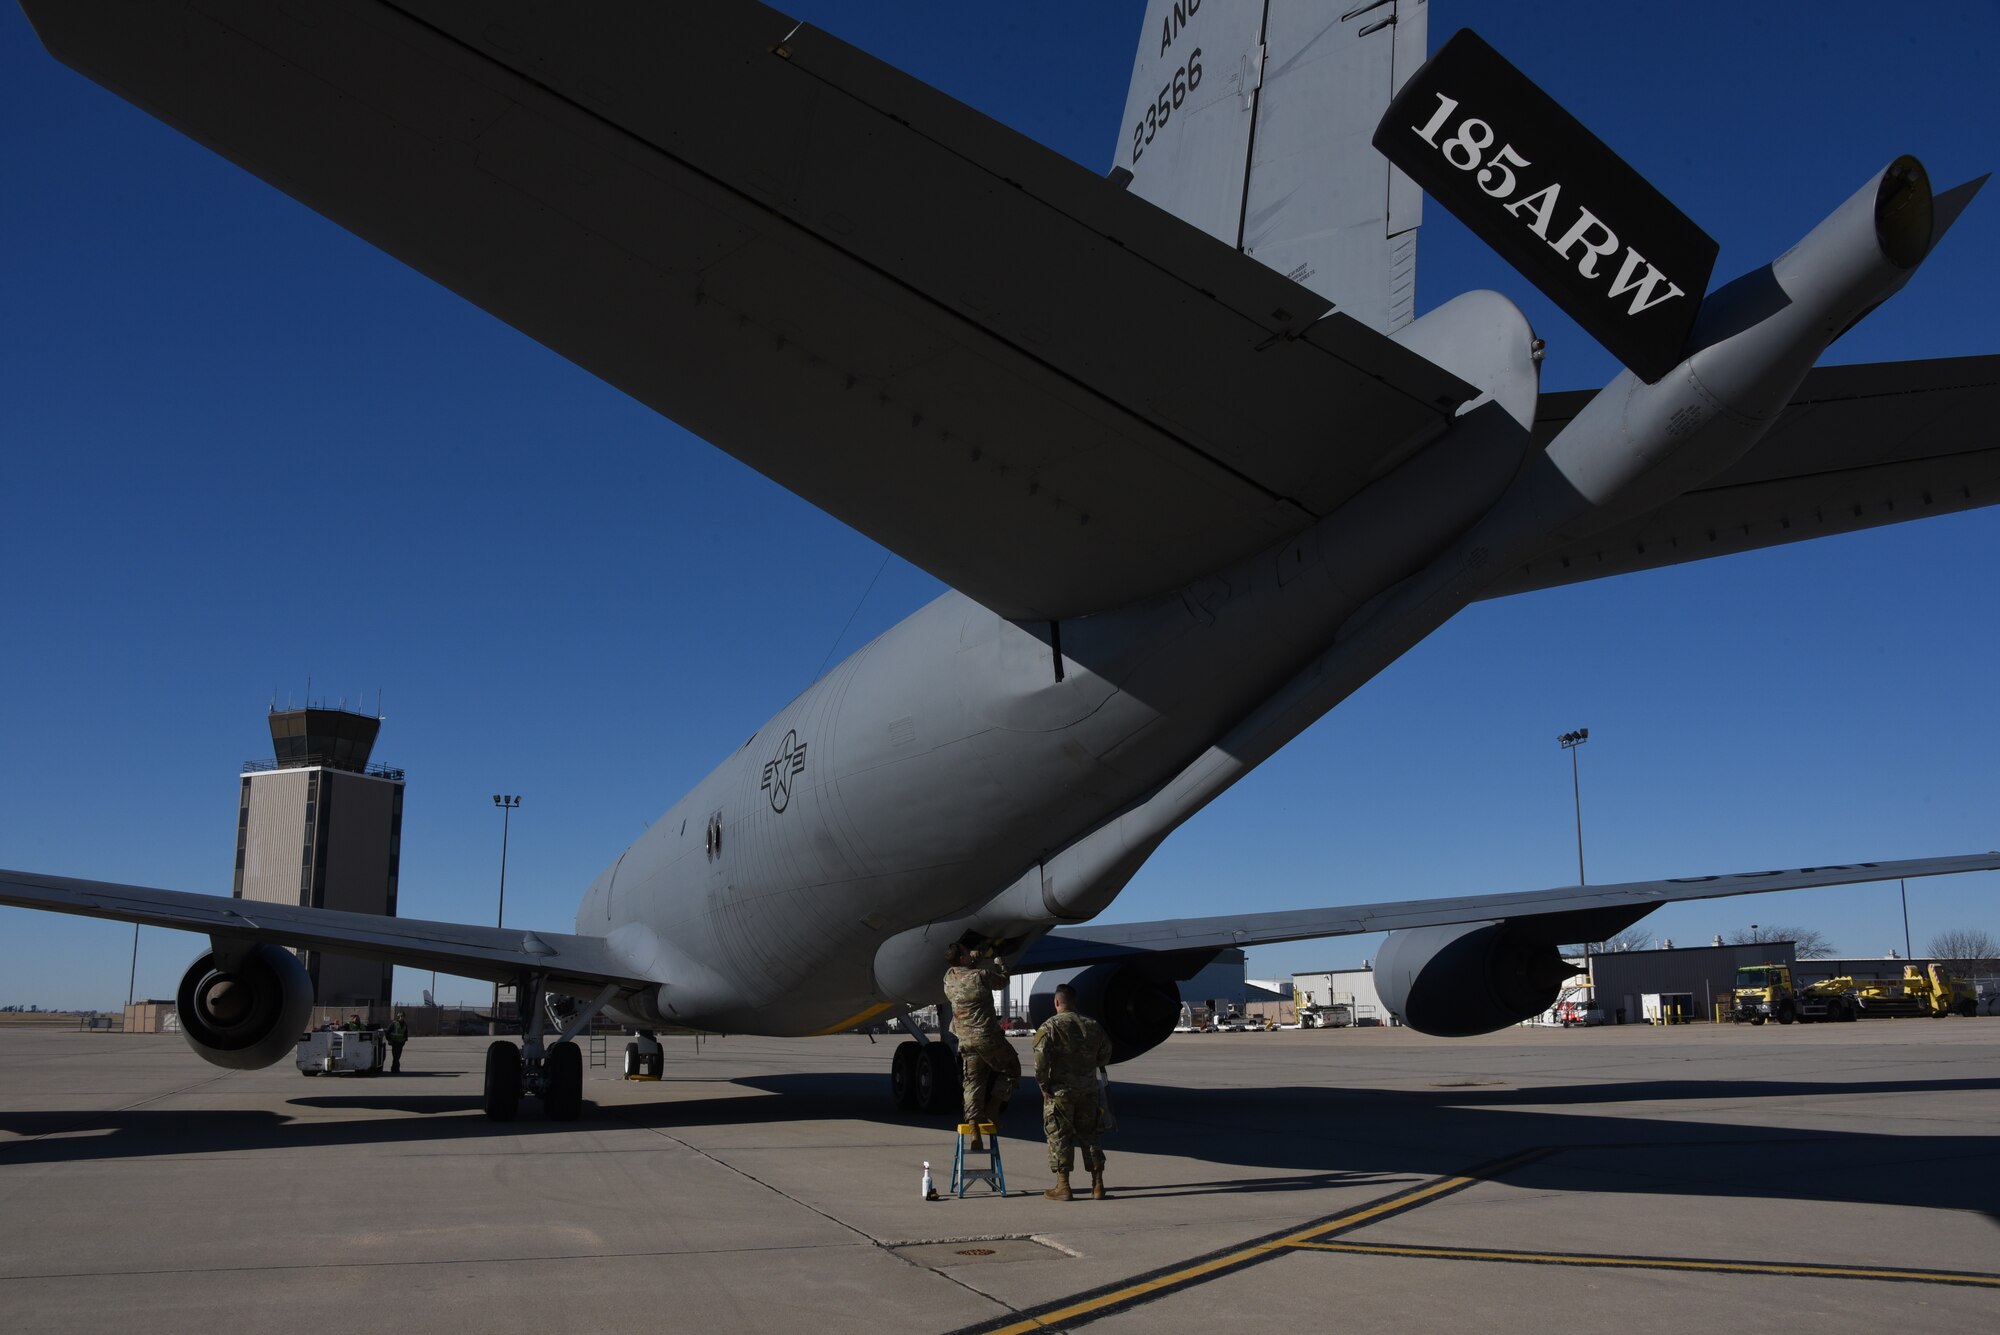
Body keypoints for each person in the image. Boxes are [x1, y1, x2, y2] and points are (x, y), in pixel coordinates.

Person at [1033, 982, 1112, 1201]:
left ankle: (1063, 1186)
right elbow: (1105, 1055)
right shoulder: (1093, 1025)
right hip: (1087, 1090)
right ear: (1074, 1001)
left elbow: (1040, 1061)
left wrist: (1043, 1084)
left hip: (1060, 1092)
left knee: (1059, 1136)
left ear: (1056, 1002)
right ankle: (1098, 1186)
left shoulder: (1050, 1027)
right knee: (1090, 1136)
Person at [943, 941, 1017, 1150]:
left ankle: (974, 1129)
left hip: (964, 1039)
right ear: (963, 959)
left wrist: (973, 957)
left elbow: (966, 970)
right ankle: (993, 1108)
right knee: (1011, 1069)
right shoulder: (981, 976)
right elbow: (1002, 981)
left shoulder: (949, 977)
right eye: (967, 953)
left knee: (973, 1082)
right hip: (986, 1037)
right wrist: (999, 961)